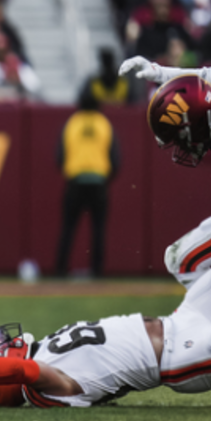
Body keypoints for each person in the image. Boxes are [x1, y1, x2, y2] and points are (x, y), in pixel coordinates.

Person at [0, 223, 211, 407]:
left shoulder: (41, 353)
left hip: (181, 319)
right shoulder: (51, 386)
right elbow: (18, 367)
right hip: (184, 355)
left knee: (182, 260)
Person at [55, 87, 120, 278]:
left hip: (75, 182)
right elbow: (115, 157)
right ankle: (97, 270)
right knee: (98, 229)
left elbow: (60, 155)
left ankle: (60, 269)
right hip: (99, 182)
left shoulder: (72, 123)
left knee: (68, 227)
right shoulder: (103, 123)